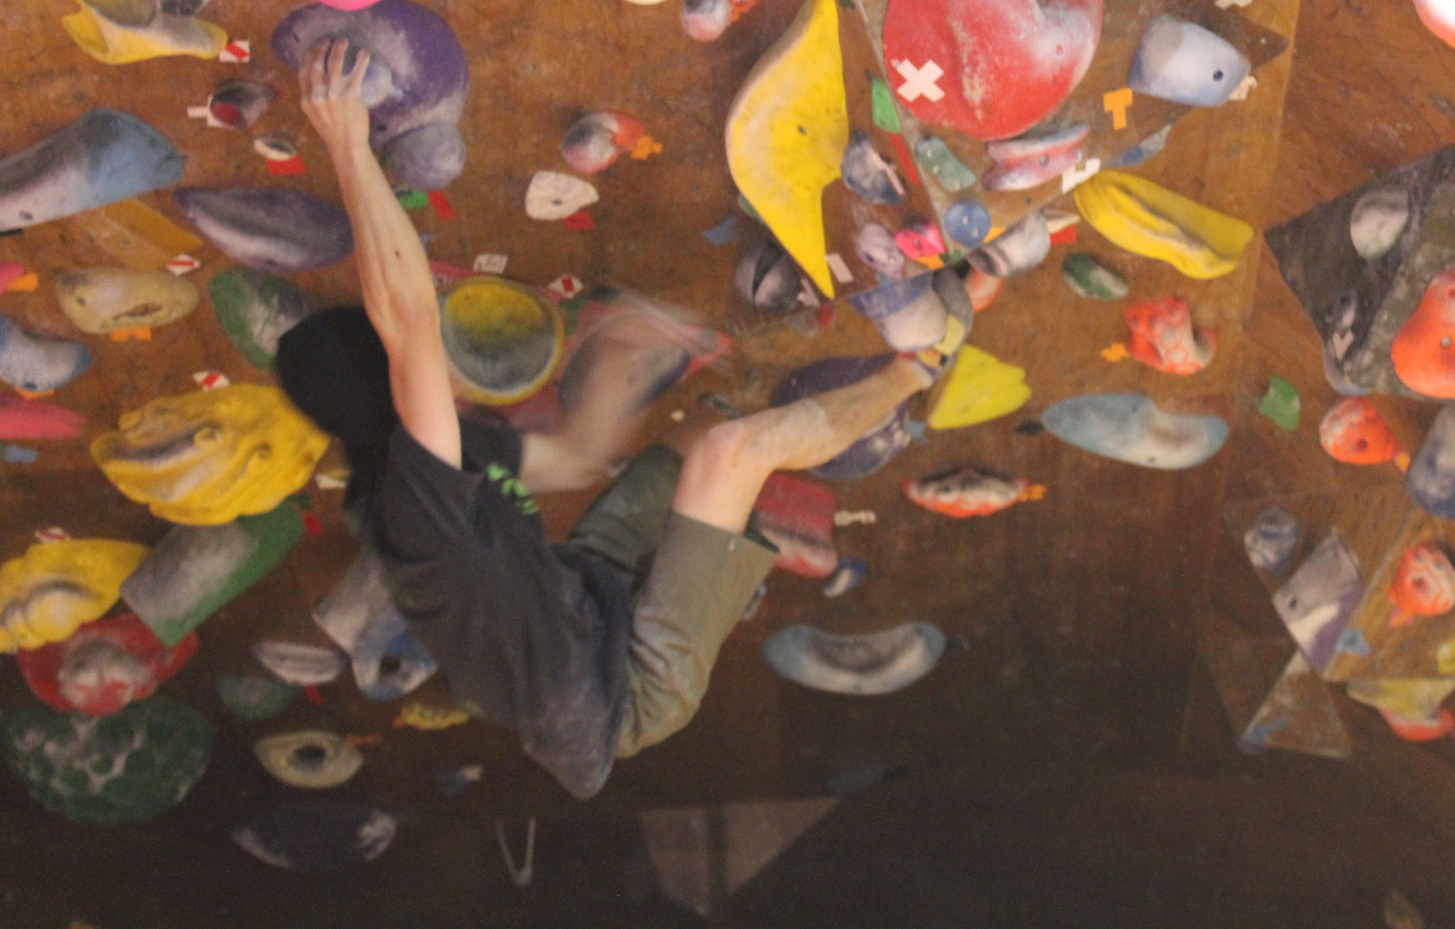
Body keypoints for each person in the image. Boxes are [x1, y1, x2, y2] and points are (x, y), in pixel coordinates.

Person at [275, 39, 949, 799]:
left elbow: (574, 461)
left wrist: (618, 360)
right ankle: (918, 368)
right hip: (627, 688)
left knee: (699, 436)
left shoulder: (447, 452)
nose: (453, 377)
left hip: (582, 601)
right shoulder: (416, 499)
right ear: (394, 390)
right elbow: (407, 318)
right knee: (730, 454)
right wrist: (347, 144)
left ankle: (757, 485)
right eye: (429, 372)